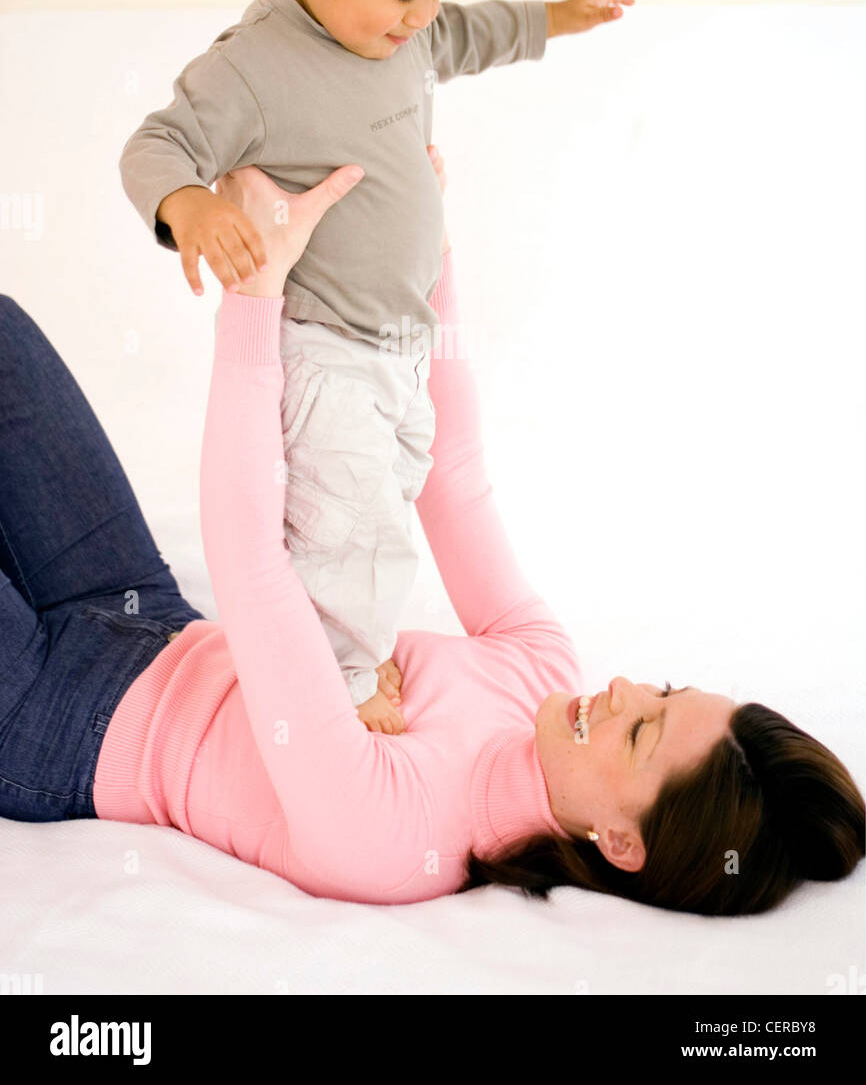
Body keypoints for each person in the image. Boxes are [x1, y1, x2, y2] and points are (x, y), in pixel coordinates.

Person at [0, 158, 862, 913]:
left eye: (640, 734)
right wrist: (429, 252)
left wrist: (258, 294)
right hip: (145, 610)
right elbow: (453, 472)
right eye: (664, 693)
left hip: (54, 720)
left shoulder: (397, 840)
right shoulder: (541, 672)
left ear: (621, 842)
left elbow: (253, 561)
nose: (627, 688)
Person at [116, 0, 649, 733]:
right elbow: (154, 146)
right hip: (325, 350)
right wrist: (190, 208)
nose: (420, 18)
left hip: (401, 346)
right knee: (353, 527)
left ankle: (323, 640)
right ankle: (339, 687)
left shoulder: (401, 32)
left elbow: (478, 33)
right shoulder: (255, 64)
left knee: (379, 505)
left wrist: (568, 14)